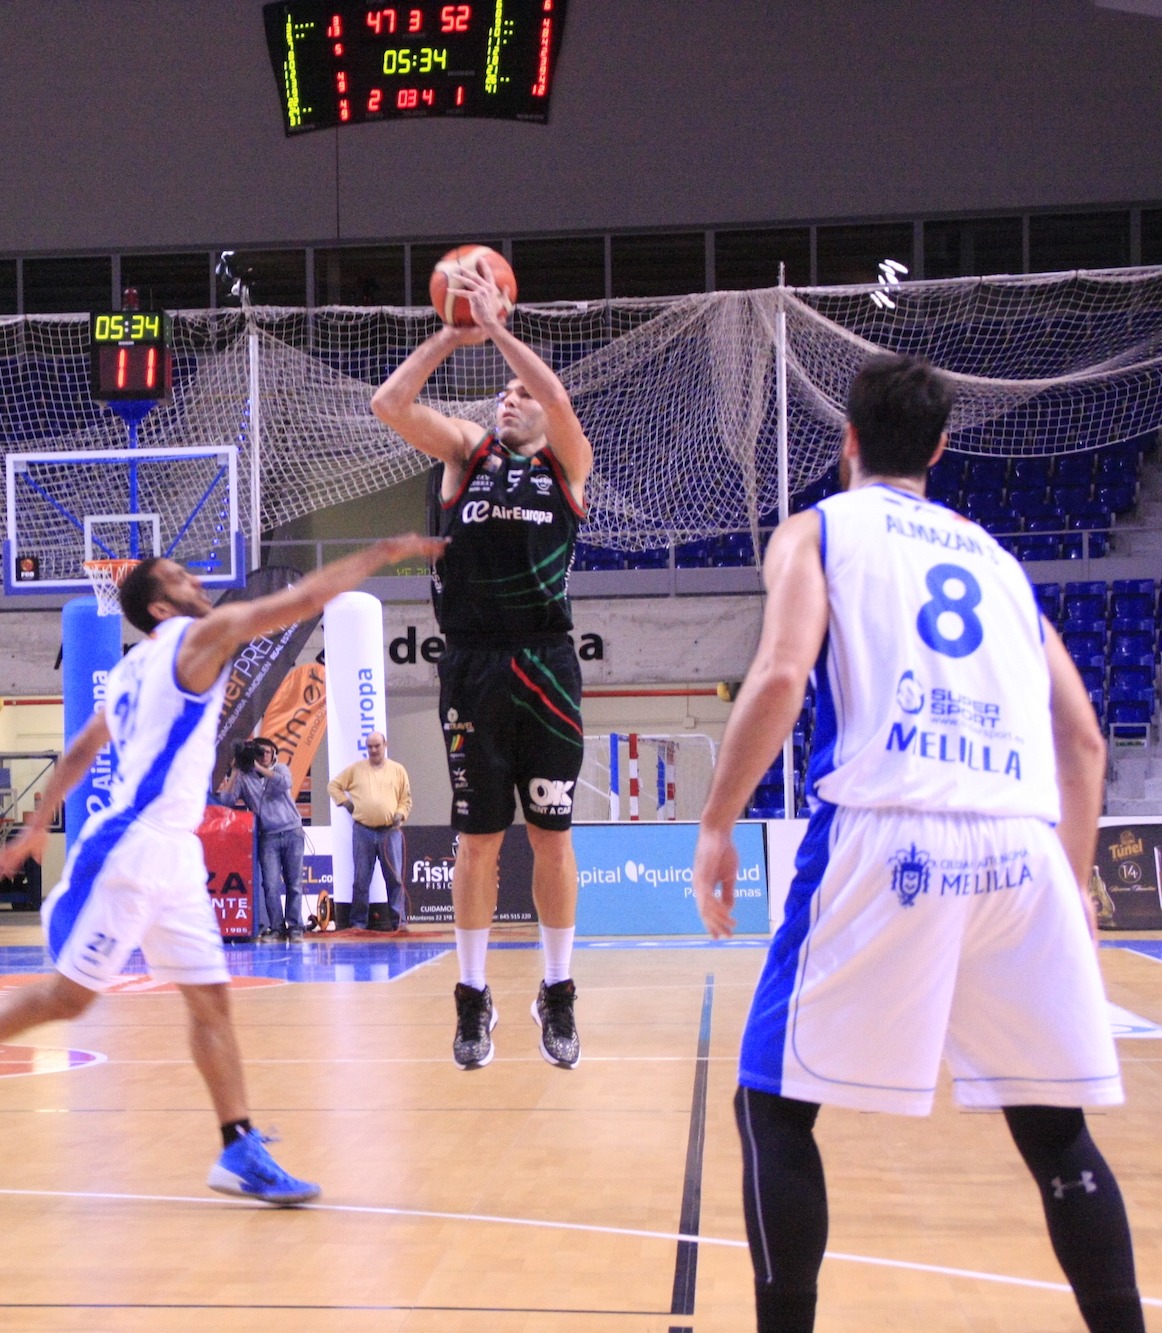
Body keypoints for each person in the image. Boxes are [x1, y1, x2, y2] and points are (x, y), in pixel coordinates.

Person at [691, 356, 1140, 1333]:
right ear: (937, 449)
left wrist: (717, 821)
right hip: (1020, 844)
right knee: (1053, 1131)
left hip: (890, 826)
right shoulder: (998, 563)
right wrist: (1067, 886)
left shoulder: (817, 529)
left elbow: (781, 675)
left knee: (772, 1105)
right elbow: (1082, 740)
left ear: (846, 439)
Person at [0, 532, 443, 1204]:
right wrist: (385, 552)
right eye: (181, 577)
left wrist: (37, 827)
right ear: (160, 606)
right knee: (70, 997)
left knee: (211, 998)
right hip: (132, 846)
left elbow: (81, 749)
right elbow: (301, 600)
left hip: (175, 850)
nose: (196, 582)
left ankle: (238, 1147)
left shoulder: (133, 667)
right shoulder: (194, 638)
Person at [371, 258, 592, 1072]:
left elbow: (558, 400)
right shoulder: (468, 452)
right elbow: (389, 405)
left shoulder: (568, 464)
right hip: (471, 666)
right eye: (504, 390)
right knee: (478, 843)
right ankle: (472, 997)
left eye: (521, 392)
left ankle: (557, 990)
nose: (510, 395)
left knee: (553, 838)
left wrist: (496, 326)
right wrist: (450, 334)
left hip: (547, 666)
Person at [327, 731, 412, 931]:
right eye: (370, 747)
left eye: (377, 746)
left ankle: (399, 923)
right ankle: (358, 924)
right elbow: (333, 786)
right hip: (363, 831)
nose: (373, 750)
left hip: (390, 831)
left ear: (385, 745)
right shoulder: (356, 769)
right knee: (361, 880)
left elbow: (406, 799)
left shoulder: (398, 770)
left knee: (395, 879)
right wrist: (346, 803)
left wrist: (400, 814)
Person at [224, 738, 306, 940]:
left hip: (292, 831)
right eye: (259, 752)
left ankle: (295, 927)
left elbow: (286, 783)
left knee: (294, 883)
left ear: (274, 754)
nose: (263, 756)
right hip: (268, 835)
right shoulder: (244, 777)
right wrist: (235, 771)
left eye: (267, 752)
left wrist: (259, 768)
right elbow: (226, 801)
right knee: (270, 885)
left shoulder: (280, 769)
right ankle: (277, 928)